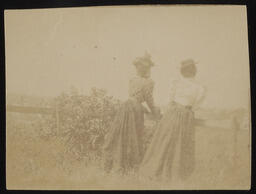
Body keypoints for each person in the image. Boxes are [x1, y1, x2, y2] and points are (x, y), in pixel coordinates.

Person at [139, 59, 206, 181]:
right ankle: (167, 173)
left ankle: (171, 174)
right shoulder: (194, 86)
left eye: (188, 69)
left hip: (177, 113)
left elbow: (171, 100)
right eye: (186, 69)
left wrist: (177, 110)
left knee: (174, 142)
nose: (187, 72)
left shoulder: (197, 87)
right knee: (170, 142)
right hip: (183, 114)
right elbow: (195, 105)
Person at [103, 53, 158, 175]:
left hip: (125, 106)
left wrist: (144, 108)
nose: (147, 70)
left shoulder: (132, 79)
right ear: (146, 68)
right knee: (134, 137)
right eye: (147, 67)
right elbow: (148, 98)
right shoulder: (149, 82)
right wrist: (154, 112)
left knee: (120, 135)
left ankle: (116, 167)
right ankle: (130, 167)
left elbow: (134, 96)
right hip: (134, 109)